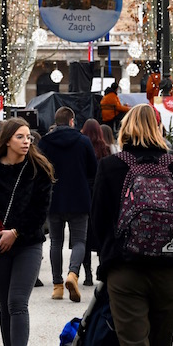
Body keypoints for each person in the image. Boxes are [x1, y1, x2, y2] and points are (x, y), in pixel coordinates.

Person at [92, 103, 173, 346]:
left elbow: (98, 222)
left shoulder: (110, 166)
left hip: (125, 269)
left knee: (133, 342)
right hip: (169, 270)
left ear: (126, 128)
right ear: (159, 128)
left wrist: (111, 254)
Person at [0, 118, 54, 346]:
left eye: (28, 137)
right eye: (20, 137)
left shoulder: (39, 168)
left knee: (17, 303)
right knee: (4, 306)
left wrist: (15, 232)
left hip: (27, 244)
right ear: (7, 140)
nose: (26, 141)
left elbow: (40, 213)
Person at [38, 107, 98, 302]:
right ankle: (73, 274)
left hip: (54, 198)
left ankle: (57, 286)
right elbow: (93, 170)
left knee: (55, 242)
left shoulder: (46, 142)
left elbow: (40, 170)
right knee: (80, 241)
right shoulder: (83, 141)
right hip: (79, 198)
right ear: (72, 121)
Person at [79, 118, 109, 286]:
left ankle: (88, 274)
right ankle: (101, 270)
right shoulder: (105, 149)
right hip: (101, 195)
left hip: (85, 194)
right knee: (101, 236)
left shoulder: (81, 147)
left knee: (85, 236)